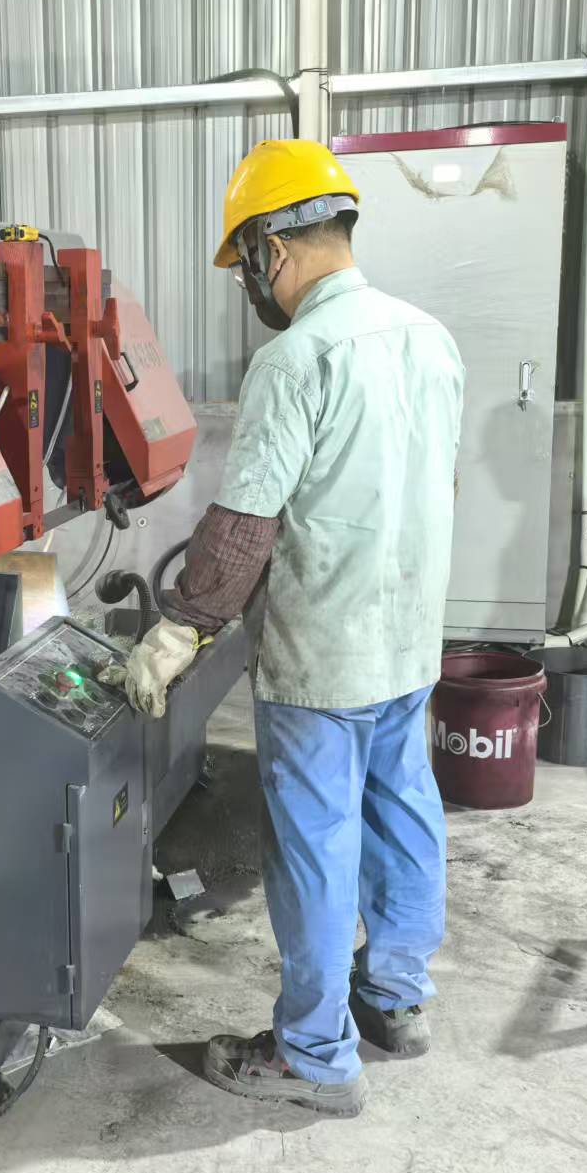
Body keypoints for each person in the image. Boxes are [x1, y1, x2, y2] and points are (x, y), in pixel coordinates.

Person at [104, 138, 465, 1117]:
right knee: (404, 810)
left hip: (323, 656)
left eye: (245, 264)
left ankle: (313, 1054)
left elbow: (245, 523)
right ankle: (394, 996)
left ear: (271, 247)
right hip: (407, 640)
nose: (249, 286)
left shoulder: (295, 358)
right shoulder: (429, 338)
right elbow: (434, 485)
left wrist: (181, 630)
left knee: (315, 848)